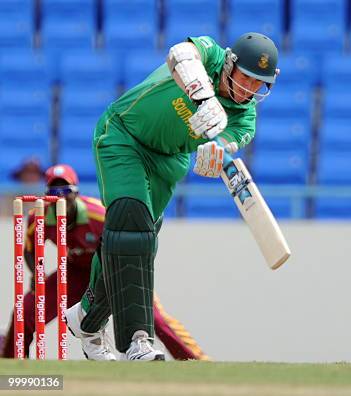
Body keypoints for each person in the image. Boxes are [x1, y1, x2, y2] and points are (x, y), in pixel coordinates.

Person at [64, 32, 279, 361]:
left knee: (135, 243)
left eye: (258, 84)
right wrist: (205, 98)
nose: (250, 89)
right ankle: (137, 341)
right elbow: (180, 54)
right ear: (231, 64)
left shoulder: (245, 117)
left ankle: (86, 320)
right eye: (246, 77)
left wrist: (215, 152)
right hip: (124, 135)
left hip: (169, 161)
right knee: (131, 228)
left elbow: (229, 142)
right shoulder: (210, 54)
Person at [2, 164, 208, 361]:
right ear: (47, 195)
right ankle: (10, 361)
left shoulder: (98, 215)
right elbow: (30, 248)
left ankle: (197, 361)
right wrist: (36, 274)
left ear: (76, 193)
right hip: (73, 272)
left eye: (66, 191)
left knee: (155, 319)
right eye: (54, 193)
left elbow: (130, 242)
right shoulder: (39, 216)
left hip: (112, 270)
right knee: (26, 310)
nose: (60, 198)